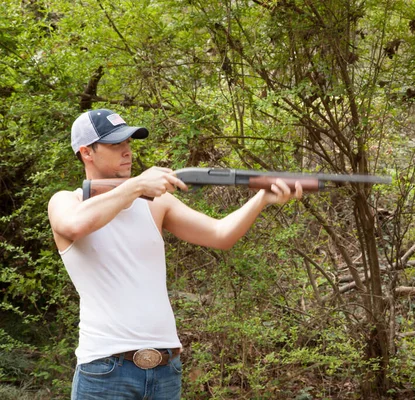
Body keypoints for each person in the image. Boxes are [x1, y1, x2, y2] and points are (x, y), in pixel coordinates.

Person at [47, 108, 303, 400]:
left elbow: (221, 235)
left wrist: (262, 198)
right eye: (116, 145)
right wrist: (136, 186)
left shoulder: (156, 202)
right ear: (86, 152)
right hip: (105, 369)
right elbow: (73, 224)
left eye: (129, 143)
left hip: (166, 370)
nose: (127, 151)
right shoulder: (68, 201)